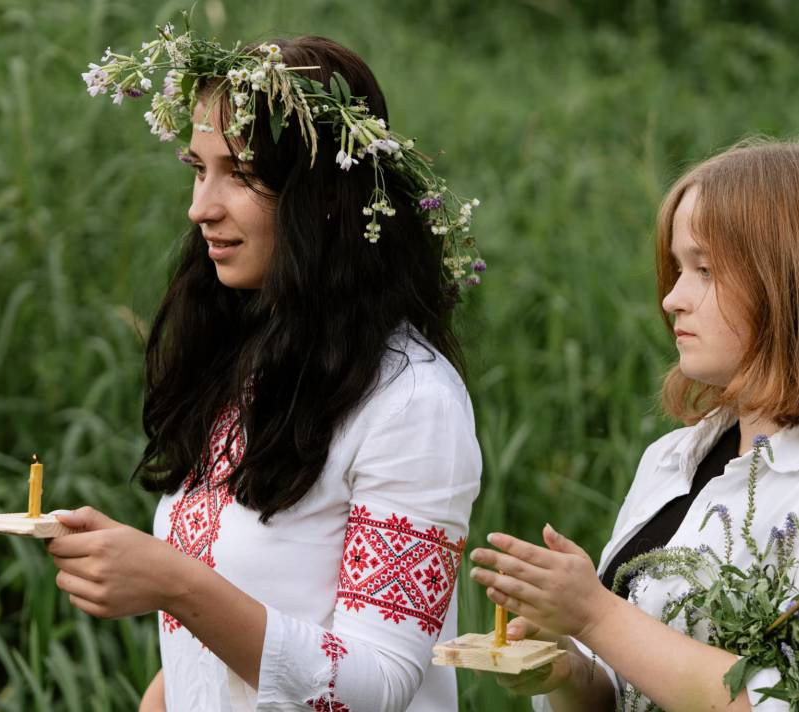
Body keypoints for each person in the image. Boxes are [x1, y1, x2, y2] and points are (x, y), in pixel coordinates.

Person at [50, 28, 484, 711]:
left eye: (241, 175)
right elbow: (212, 645)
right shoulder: (252, 360)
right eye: (198, 169)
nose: (200, 207)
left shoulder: (411, 404)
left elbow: (377, 688)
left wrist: (175, 583)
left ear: (325, 194)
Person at [469, 140, 799, 710]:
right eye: (678, 268)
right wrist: (570, 673)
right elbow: (630, 688)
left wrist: (596, 616)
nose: (671, 299)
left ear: (794, 285)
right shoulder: (673, 459)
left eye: (704, 270)